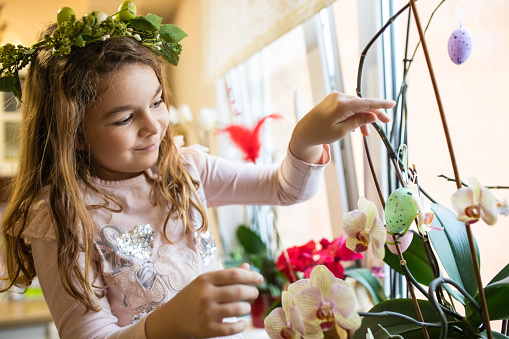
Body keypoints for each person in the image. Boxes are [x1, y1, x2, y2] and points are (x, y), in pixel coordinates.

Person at [0, 4, 394, 339]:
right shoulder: (61, 215)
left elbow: (284, 188)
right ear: (77, 134)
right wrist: (166, 323)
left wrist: (305, 138)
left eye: (157, 102)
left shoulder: (186, 168)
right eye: (124, 119)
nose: (154, 125)